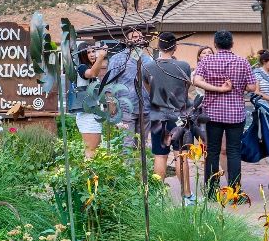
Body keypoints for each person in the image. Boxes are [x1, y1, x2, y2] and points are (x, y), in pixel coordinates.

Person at [192, 30, 257, 196]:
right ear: (232, 44)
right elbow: (251, 87)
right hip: (235, 114)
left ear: (215, 44)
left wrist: (217, 89)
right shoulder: (242, 62)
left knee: (212, 151)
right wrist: (236, 86)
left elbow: (196, 81)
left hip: (212, 114)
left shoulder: (207, 61)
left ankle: (212, 191)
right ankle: (235, 192)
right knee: (233, 151)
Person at [144, 32, 194, 204]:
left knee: (160, 156)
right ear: (175, 47)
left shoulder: (148, 67)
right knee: (181, 155)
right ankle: (187, 196)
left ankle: (157, 197)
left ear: (158, 47)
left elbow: (147, 87)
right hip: (178, 116)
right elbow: (186, 86)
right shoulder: (184, 66)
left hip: (157, 116)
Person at [105, 30, 149, 146]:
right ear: (126, 40)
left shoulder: (147, 60)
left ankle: (141, 164)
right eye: (134, 37)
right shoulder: (117, 59)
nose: (138, 39)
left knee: (142, 146)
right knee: (127, 145)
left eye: (141, 37)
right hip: (125, 108)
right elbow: (109, 84)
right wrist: (111, 107)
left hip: (145, 108)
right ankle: (128, 165)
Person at [69, 41, 108, 160]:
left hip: (92, 113)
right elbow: (91, 73)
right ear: (82, 55)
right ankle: (89, 177)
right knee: (91, 151)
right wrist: (100, 57)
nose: (92, 54)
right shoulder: (82, 68)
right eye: (88, 52)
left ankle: (91, 177)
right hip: (87, 115)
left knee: (92, 150)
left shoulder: (91, 67)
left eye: (93, 51)